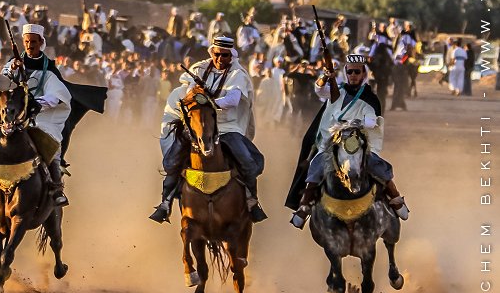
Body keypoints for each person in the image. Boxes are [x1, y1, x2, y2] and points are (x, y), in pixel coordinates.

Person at [149, 36, 268, 224]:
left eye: (225, 55)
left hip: (226, 126)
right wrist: (199, 98)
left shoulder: (238, 73)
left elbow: (233, 100)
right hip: (198, 125)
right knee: (173, 160)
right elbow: (190, 96)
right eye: (217, 54)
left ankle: (252, 201)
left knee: (247, 161)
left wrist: (210, 103)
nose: (220, 59)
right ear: (212, 52)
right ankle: (165, 203)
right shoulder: (199, 69)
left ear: (231, 55)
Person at [289, 54, 409, 228]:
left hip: (358, 141)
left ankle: (396, 197)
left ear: (363, 74)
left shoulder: (369, 97)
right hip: (334, 142)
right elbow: (319, 90)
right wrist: (326, 76)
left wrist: (357, 123)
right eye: (350, 71)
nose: (353, 75)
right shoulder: (338, 91)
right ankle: (305, 205)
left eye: (357, 72)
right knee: (317, 164)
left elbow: (372, 120)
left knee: (375, 165)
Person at [0, 23, 73, 209]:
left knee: (51, 148)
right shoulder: (12, 64)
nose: (30, 46)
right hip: (10, 117)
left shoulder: (49, 70)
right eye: (27, 42)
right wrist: (13, 69)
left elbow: (58, 95)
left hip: (38, 118)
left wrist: (38, 103)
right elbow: (0, 84)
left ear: (41, 42)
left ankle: (56, 188)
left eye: (33, 42)